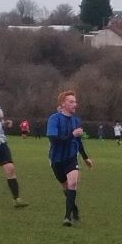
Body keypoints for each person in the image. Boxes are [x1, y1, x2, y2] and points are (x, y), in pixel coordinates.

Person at [47, 91, 93, 226]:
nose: (75, 104)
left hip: (71, 158)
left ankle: (67, 217)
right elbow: (54, 140)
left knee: (73, 183)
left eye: (75, 101)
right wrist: (72, 135)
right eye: (71, 101)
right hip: (56, 159)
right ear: (63, 104)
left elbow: (78, 142)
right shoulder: (54, 119)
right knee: (66, 187)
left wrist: (85, 158)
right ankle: (74, 209)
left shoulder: (76, 120)